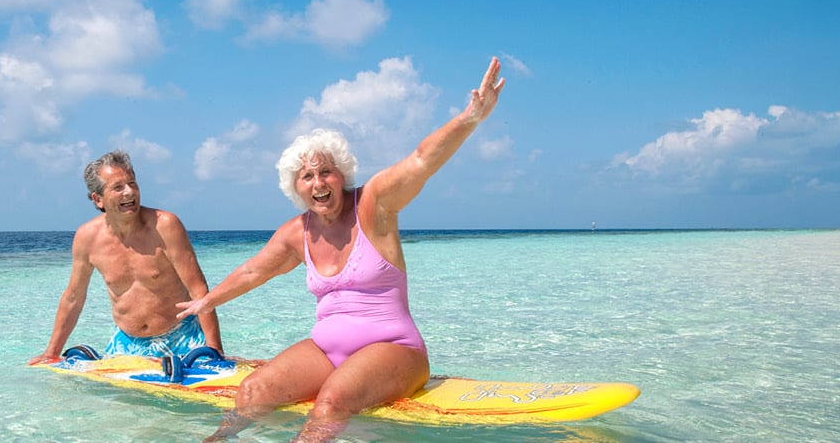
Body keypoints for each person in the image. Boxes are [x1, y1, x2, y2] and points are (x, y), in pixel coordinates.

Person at [176, 57, 506, 441]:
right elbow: (253, 271)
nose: (318, 182)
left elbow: (421, 160)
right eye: (307, 176)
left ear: (342, 174)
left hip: (395, 350)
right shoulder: (296, 232)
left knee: (330, 404)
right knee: (252, 392)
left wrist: (471, 117)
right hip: (327, 353)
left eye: (326, 171)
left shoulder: (374, 204)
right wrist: (207, 301)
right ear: (295, 187)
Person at [30, 150, 224, 364]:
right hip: (126, 345)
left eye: (133, 184)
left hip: (183, 337)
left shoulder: (165, 226)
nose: (129, 193)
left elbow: (199, 290)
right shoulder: (87, 238)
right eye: (118, 187)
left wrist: (214, 352)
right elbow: (74, 297)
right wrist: (52, 353)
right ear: (98, 199)